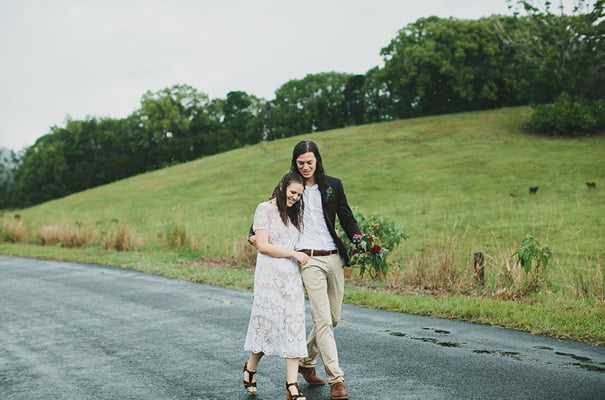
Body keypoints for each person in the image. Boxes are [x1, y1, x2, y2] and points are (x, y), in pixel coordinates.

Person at [250, 139, 360, 400]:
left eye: (309, 162)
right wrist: (251, 235)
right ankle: (337, 380)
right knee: (322, 320)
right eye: (300, 163)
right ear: (295, 163)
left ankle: (306, 360)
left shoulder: (333, 185)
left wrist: (360, 240)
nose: (306, 167)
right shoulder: (291, 185)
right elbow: (268, 210)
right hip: (308, 260)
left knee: (333, 318)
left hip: (333, 257)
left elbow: (346, 216)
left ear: (317, 160)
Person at [243, 170, 310, 400]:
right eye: (293, 192)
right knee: (268, 327)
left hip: (290, 279)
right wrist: (293, 253)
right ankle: (251, 367)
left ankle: (292, 384)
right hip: (269, 278)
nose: (295, 198)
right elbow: (263, 245)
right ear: (282, 187)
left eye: (299, 195)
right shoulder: (264, 209)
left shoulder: (294, 214)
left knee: (293, 327)